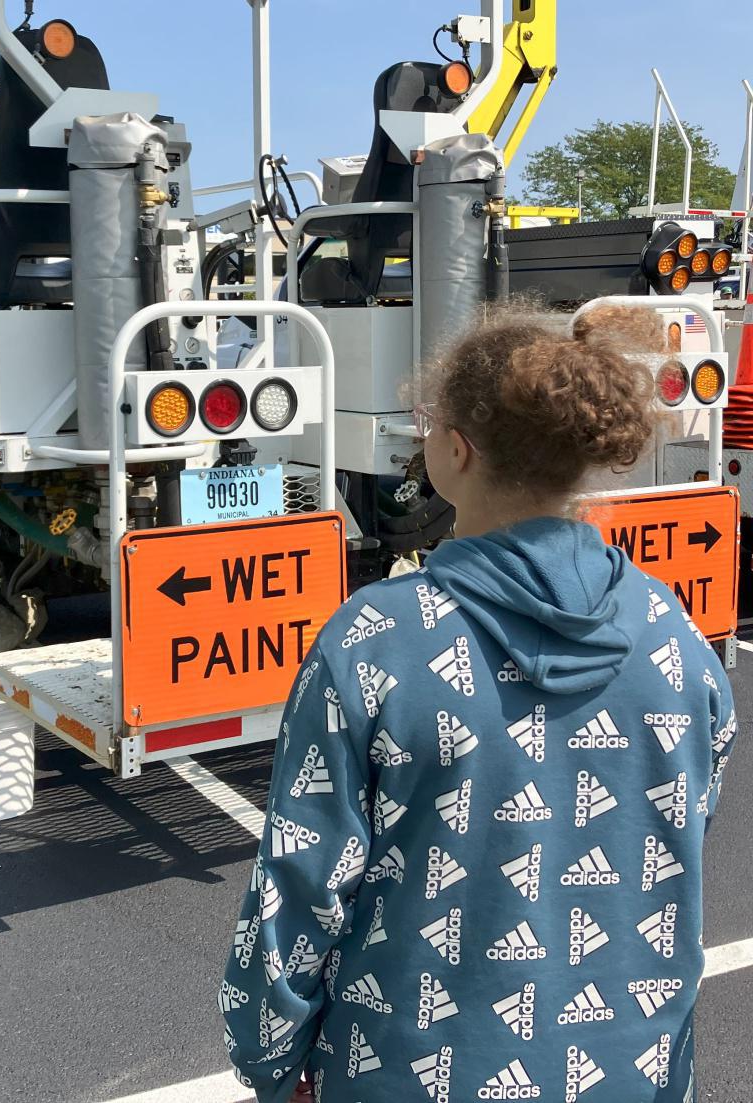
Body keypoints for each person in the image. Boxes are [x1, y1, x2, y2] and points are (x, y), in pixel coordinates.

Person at [221, 310, 737, 1103]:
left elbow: (301, 883)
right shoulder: (674, 637)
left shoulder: (373, 642)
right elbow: (675, 842)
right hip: (633, 1066)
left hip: (404, 1070)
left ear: (455, 449)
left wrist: (270, 1055)